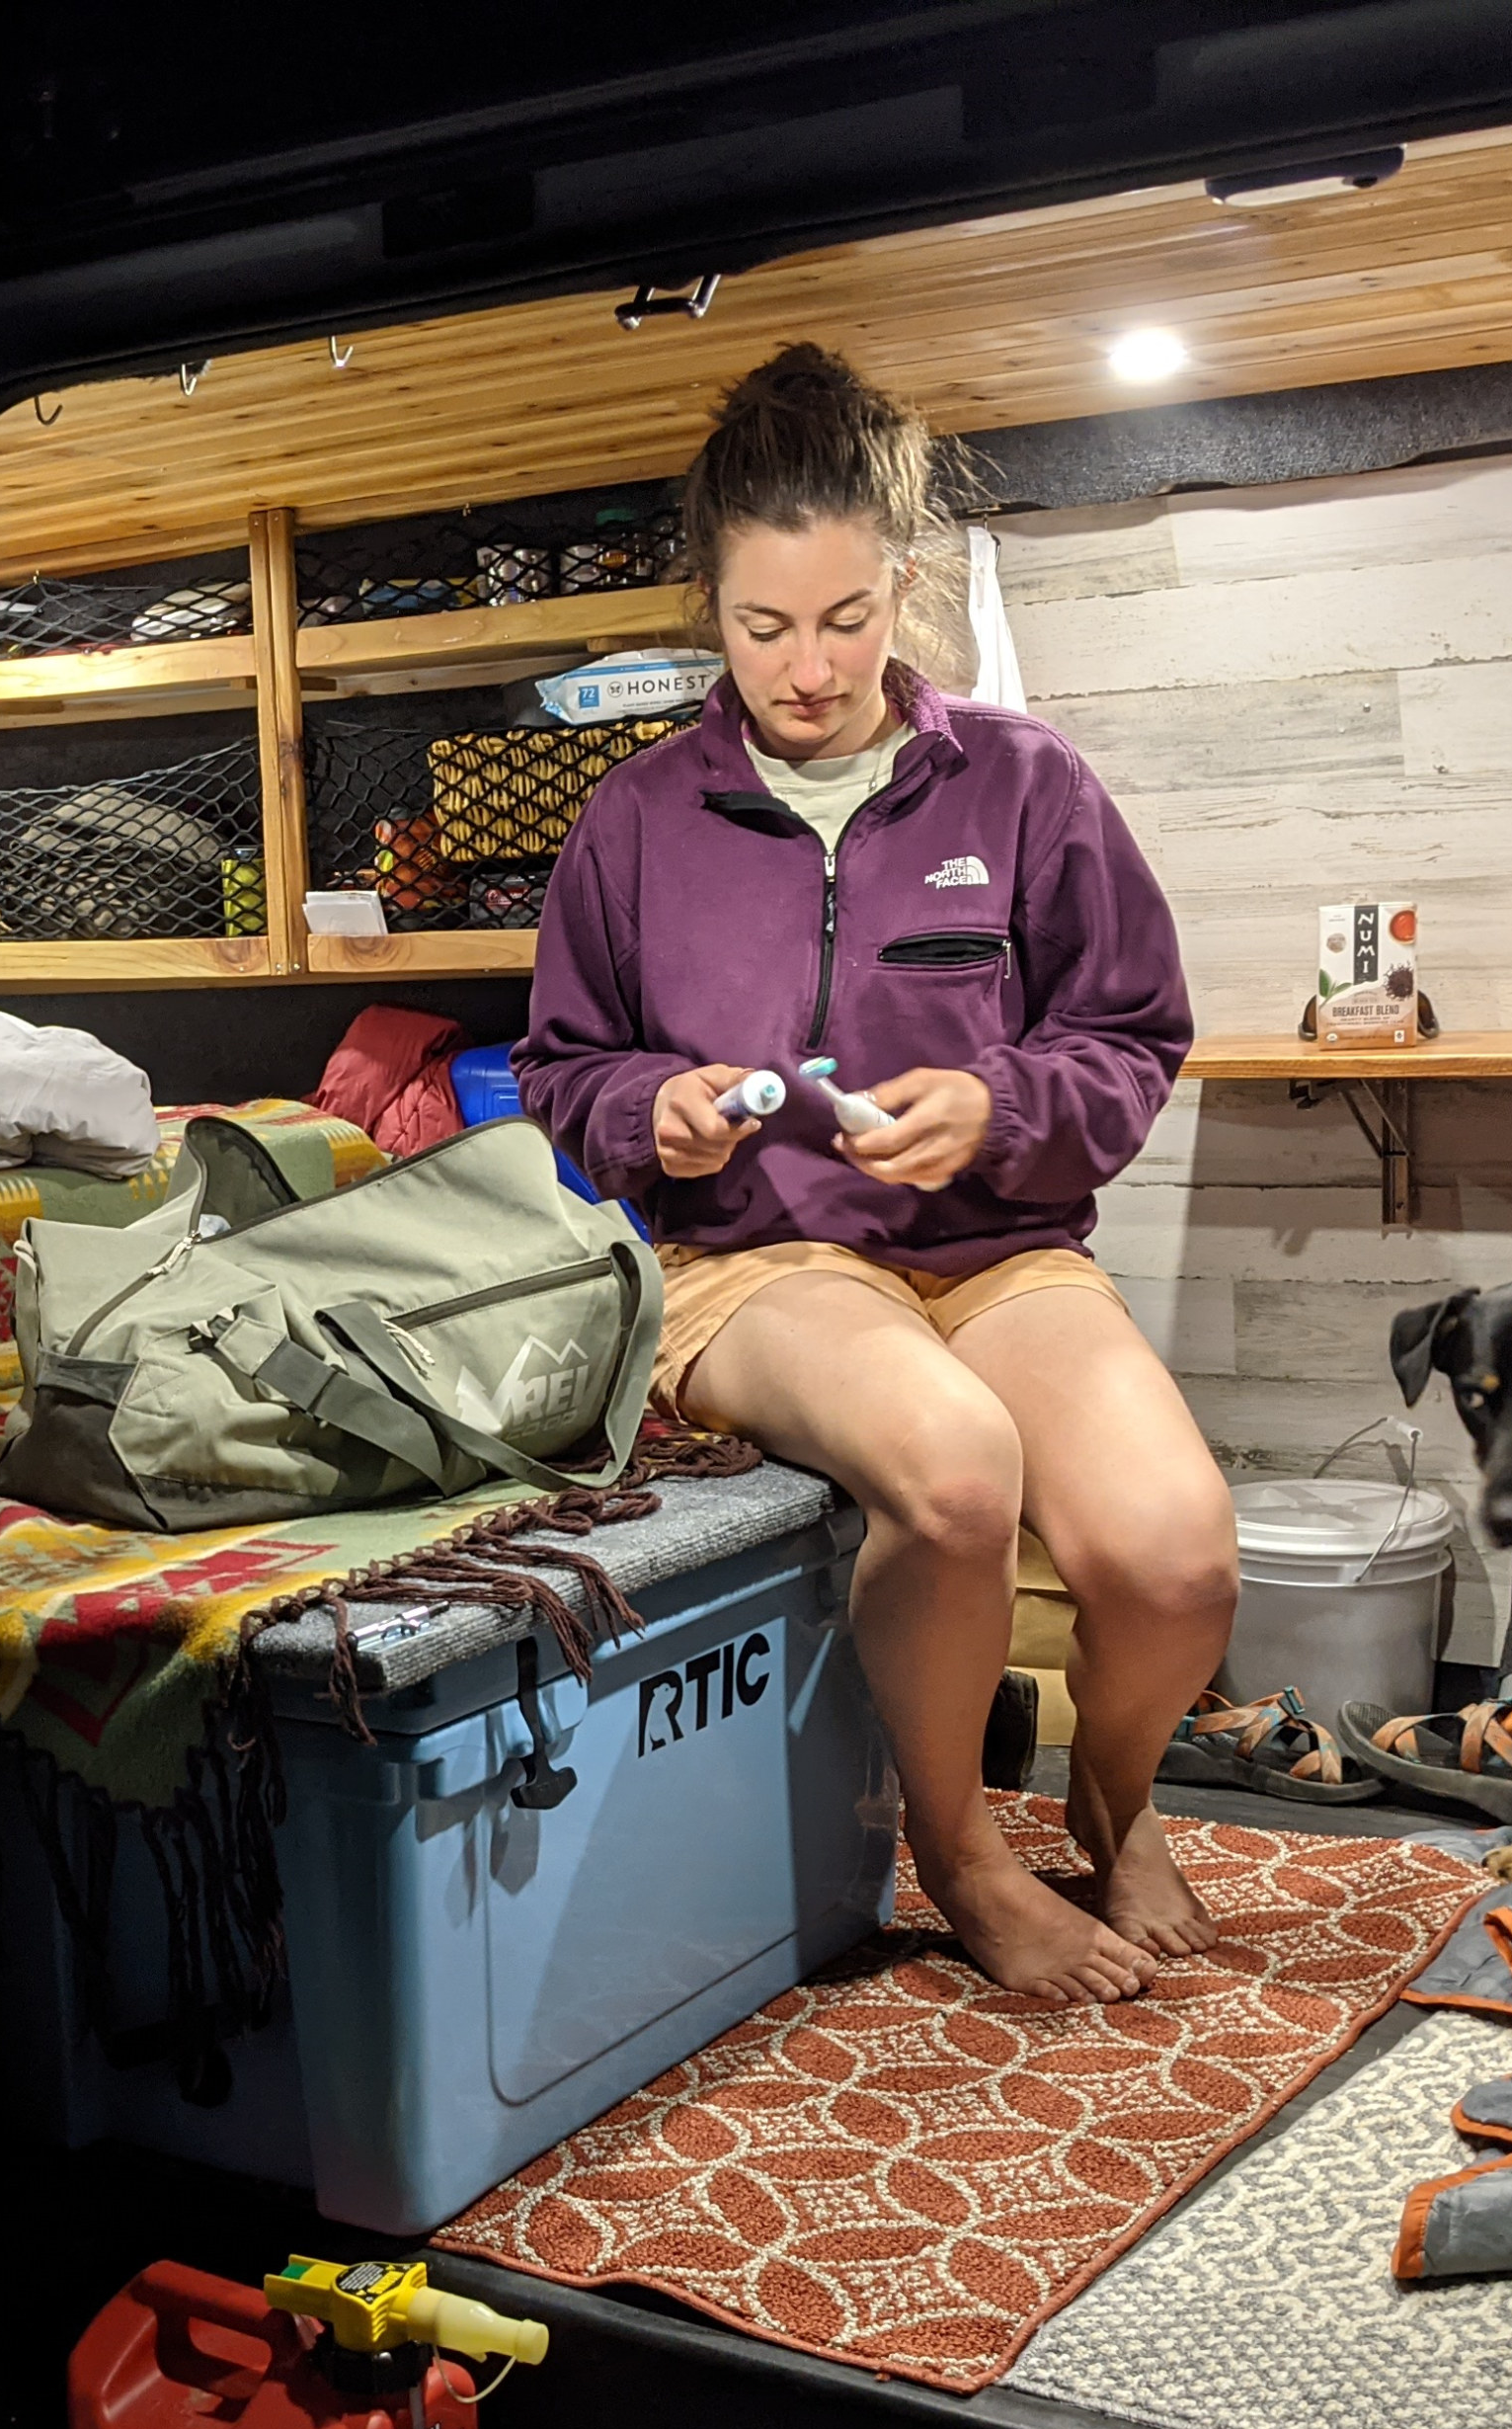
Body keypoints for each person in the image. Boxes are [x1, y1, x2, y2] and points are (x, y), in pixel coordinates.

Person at [517, 344, 1235, 2004]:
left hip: (1000, 1251)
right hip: (761, 1262)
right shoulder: (633, 821)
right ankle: (963, 1857)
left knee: (1179, 1557)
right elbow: (564, 1068)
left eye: (846, 619)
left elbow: (1129, 1034)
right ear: (713, 605)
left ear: (899, 585)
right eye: (766, 627)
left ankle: (1112, 1801)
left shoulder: (1024, 780)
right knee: (959, 1467)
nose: (810, 666)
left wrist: (994, 1108)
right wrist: (655, 1113)